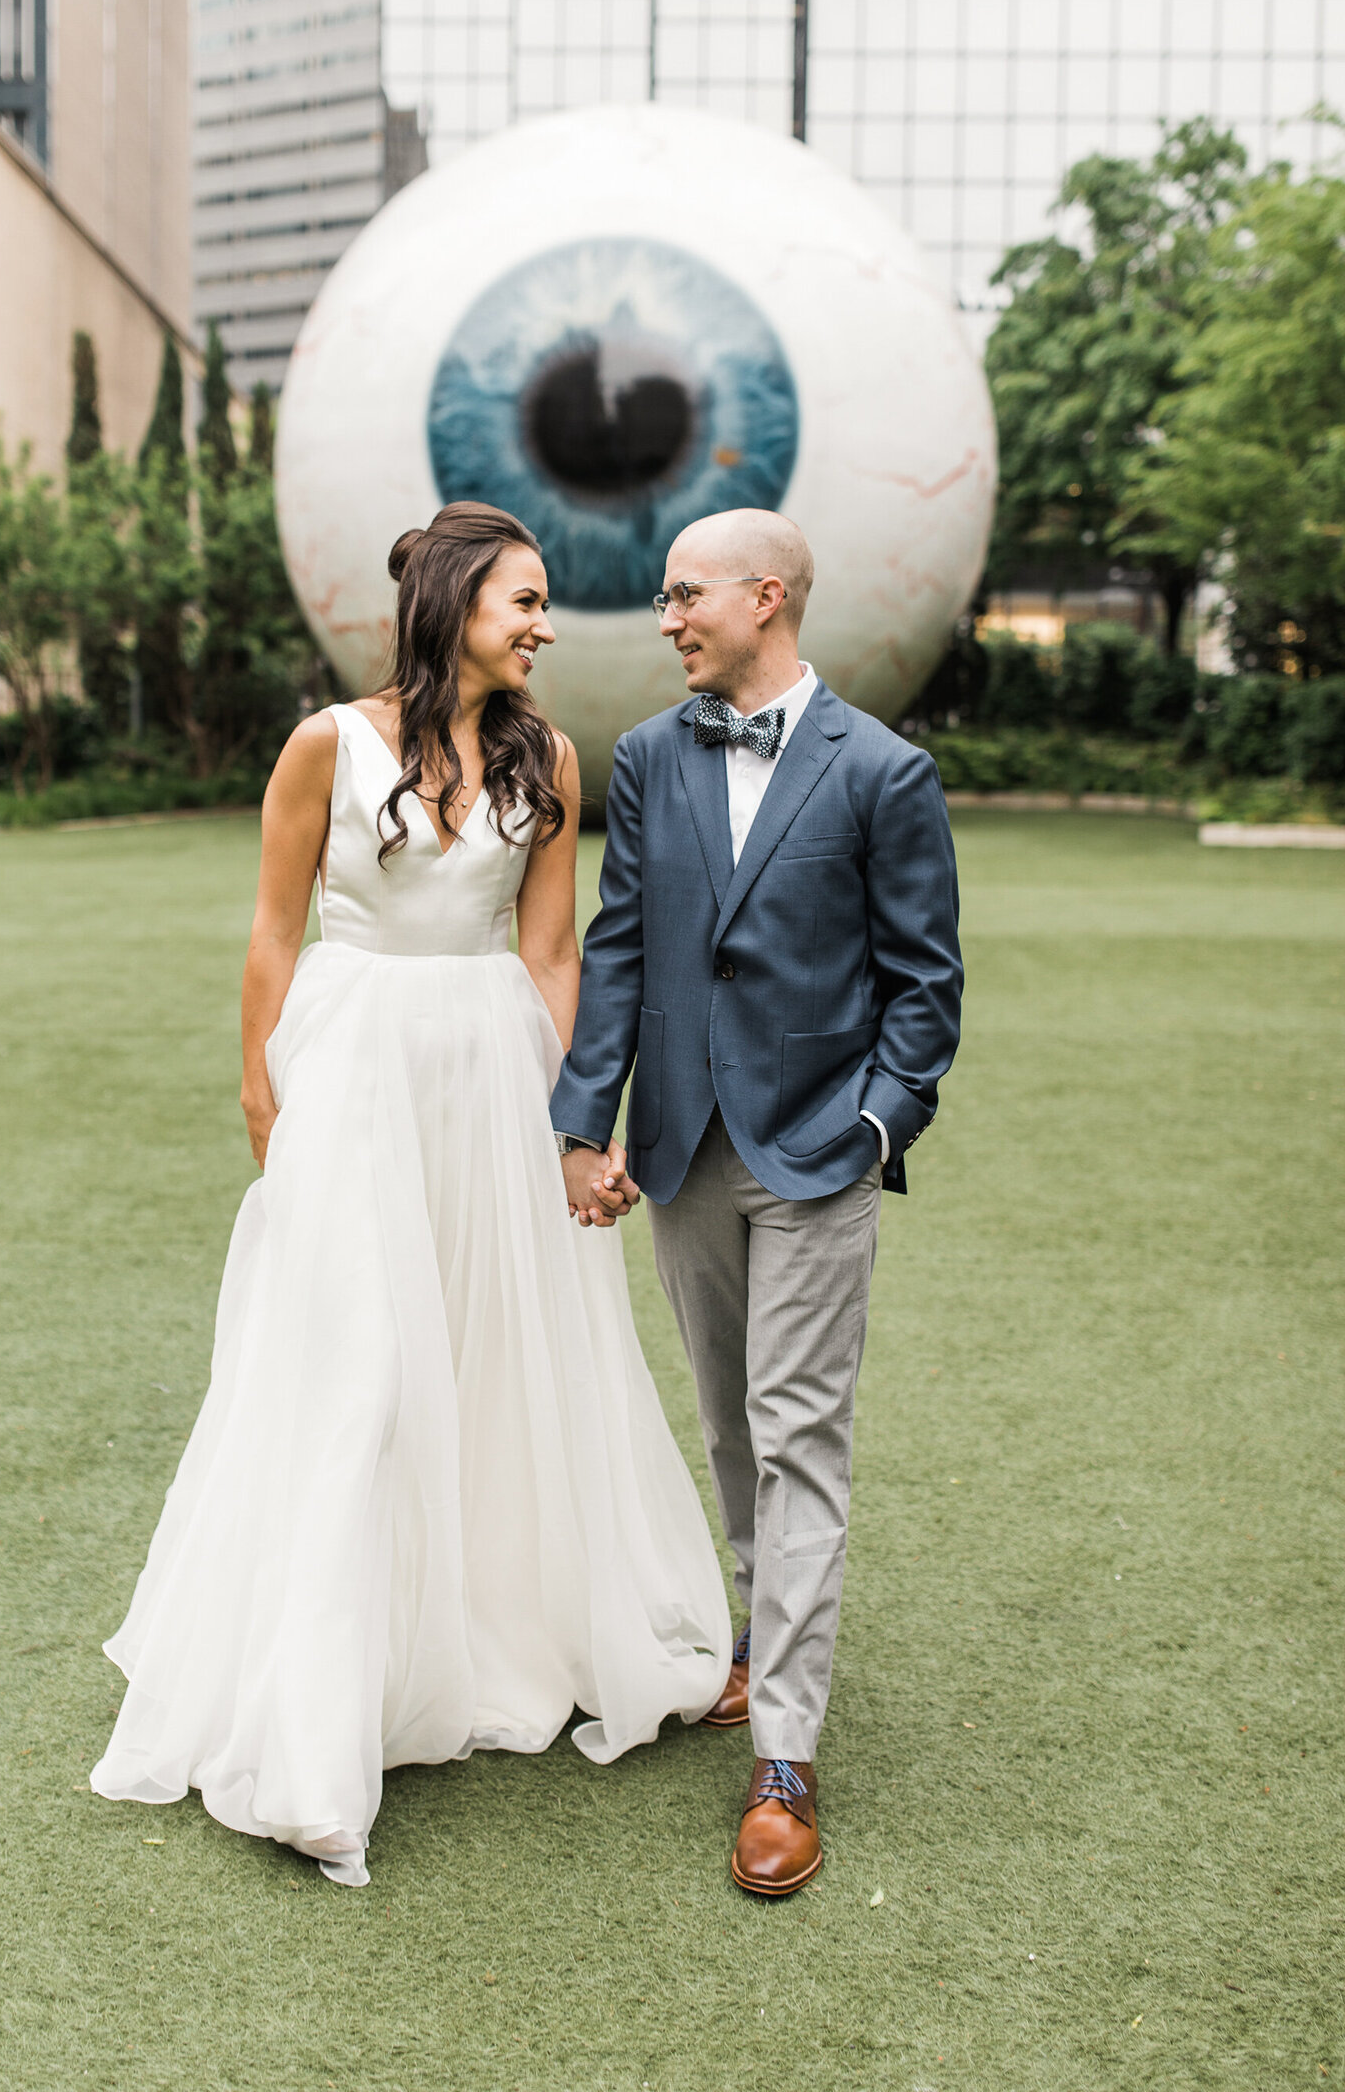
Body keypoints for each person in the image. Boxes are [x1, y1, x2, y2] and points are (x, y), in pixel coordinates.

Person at [91, 502, 730, 1886]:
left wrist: (570, 1118)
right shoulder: (328, 743)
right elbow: (272, 929)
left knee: (497, 1359)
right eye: (524, 602)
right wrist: (265, 1093)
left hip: (493, 1078)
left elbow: (552, 952)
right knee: (358, 1374)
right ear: (452, 606)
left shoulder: (551, 757)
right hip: (355, 1076)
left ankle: (483, 1627)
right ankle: (315, 1736)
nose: (544, 625)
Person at [550, 509, 963, 1897]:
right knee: (730, 1426)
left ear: (765, 595)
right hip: (678, 1151)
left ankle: (784, 1754)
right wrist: (580, 1125)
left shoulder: (886, 773)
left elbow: (925, 989)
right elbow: (618, 952)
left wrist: (871, 1125)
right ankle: (753, 1636)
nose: (666, 618)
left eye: (684, 595)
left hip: (817, 1159)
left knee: (799, 1436)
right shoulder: (654, 759)